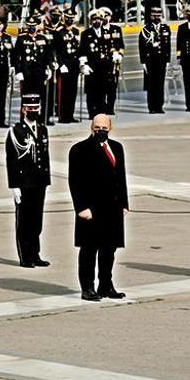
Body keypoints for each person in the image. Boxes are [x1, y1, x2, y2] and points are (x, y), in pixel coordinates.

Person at [68, 114, 129, 302]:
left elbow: (121, 177)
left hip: (113, 208)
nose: (100, 130)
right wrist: (81, 207)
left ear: (110, 128)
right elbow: (75, 182)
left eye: (104, 127)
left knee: (109, 249)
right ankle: (87, 287)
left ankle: (105, 285)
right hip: (92, 209)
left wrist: (124, 204)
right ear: (91, 128)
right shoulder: (80, 150)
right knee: (89, 249)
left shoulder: (117, 148)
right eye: (97, 127)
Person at [6, 93, 51, 268]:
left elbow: (44, 156)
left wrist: (46, 179)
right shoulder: (16, 131)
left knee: (37, 220)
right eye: (30, 108)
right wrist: (14, 185)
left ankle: (35, 253)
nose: (33, 111)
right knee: (24, 220)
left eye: (36, 108)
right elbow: (11, 160)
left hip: (39, 182)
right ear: (24, 109)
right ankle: (25, 256)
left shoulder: (42, 128)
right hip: (24, 182)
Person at [12, 16, 54, 125]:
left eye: (34, 26)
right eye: (30, 26)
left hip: (40, 72)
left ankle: (42, 119)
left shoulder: (42, 38)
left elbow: (47, 55)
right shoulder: (21, 39)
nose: (32, 28)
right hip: (27, 72)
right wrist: (18, 71)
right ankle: (25, 118)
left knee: (42, 96)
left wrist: (49, 67)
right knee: (27, 96)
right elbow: (16, 56)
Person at [138, 7, 171, 114]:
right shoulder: (146, 29)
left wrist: (168, 59)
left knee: (160, 83)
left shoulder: (165, 28)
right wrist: (143, 61)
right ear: (151, 16)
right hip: (150, 60)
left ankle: (159, 106)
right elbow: (142, 47)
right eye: (154, 15)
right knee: (151, 84)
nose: (157, 17)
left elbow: (168, 46)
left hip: (161, 60)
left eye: (158, 15)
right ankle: (151, 107)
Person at [79, 9, 109, 119]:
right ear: (91, 21)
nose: (97, 21)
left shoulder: (106, 33)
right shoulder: (86, 34)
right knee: (91, 91)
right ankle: (92, 112)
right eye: (95, 19)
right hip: (91, 67)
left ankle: (101, 111)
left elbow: (109, 49)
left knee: (103, 89)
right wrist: (83, 65)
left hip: (103, 67)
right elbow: (82, 51)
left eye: (99, 19)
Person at [56, 8, 81, 123]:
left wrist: (81, 62)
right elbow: (56, 51)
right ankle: (63, 116)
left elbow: (78, 49)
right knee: (64, 92)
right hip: (64, 64)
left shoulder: (76, 31)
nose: (70, 21)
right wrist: (60, 64)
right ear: (63, 18)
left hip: (74, 65)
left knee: (73, 91)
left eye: (71, 19)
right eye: (67, 18)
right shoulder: (59, 32)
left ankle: (70, 114)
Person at [101, 7, 124, 115]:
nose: (105, 18)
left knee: (113, 86)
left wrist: (119, 54)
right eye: (103, 16)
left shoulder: (116, 29)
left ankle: (110, 107)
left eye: (107, 16)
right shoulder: (99, 30)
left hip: (114, 62)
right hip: (103, 62)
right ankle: (102, 106)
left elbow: (121, 44)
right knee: (103, 85)